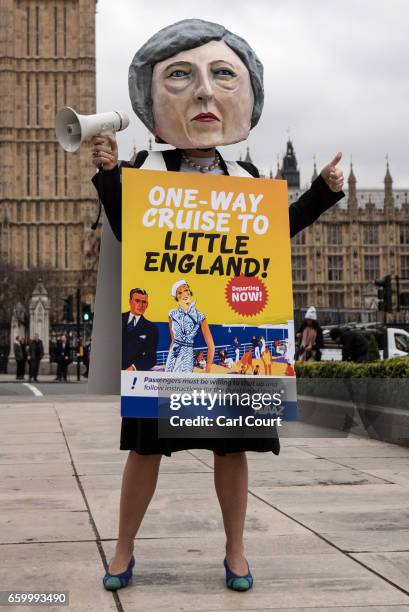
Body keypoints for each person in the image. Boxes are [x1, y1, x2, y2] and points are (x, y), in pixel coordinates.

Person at [90, 19, 344, 593]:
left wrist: (323, 192)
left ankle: (235, 552)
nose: (204, 93)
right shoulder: (145, 174)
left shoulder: (247, 176)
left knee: (231, 450)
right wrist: (109, 176)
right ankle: (122, 550)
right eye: (181, 77)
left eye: (223, 77)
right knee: (146, 451)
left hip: (229, 337)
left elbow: (275, 233)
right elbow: (131, 232)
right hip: (164, 350)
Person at [165, 280, 214, 373]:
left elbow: (211, 346)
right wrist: (169, 358)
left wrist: (208, 371)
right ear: (176, 297)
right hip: (172, 355)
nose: (184, 294)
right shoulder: (172, 314)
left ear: (190, 292)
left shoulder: (200, 316)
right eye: (179, 292)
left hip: (187, 355)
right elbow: (173, 340)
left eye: (186, 290)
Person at [122, 288, 158, 371]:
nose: (141, 305)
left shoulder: (152, 328)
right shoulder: (117, 319)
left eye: (144, 302)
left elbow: (151, 358)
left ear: (147, 305)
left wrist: (134, 368)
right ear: (130, 302)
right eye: (137, 301)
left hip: (133, 376)